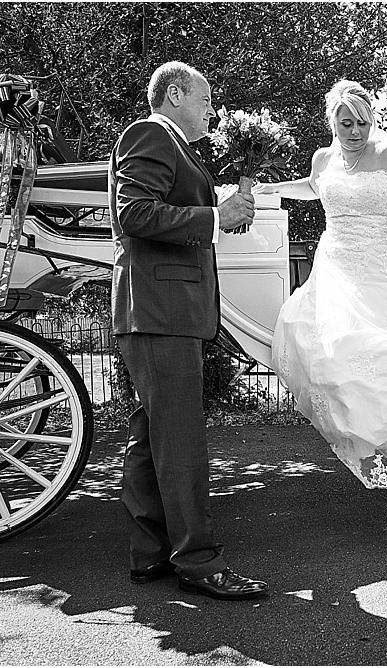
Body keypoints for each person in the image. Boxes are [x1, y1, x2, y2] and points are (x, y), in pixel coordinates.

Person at [110, 61, 268, 600]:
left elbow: (159, 210)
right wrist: (211, 219)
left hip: (159, 311)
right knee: (180, 443)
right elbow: (134, 213)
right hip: (160, 310)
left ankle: (149, 557)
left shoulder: (174, 147)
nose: (210, 110)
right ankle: (199, 562)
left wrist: (219, 212)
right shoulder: (150, 133)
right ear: (175, 94)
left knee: (150, 438)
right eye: (204, 100)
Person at [255, 80, 387, 502]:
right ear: (332, 123)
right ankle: (371, 445)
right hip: (338, 269)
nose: (355, 131)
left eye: (363, 122)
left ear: (372, 121)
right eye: (346, 124)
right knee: (335, 357)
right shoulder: (323, 159)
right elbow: (313, 185)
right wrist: (275, 189)